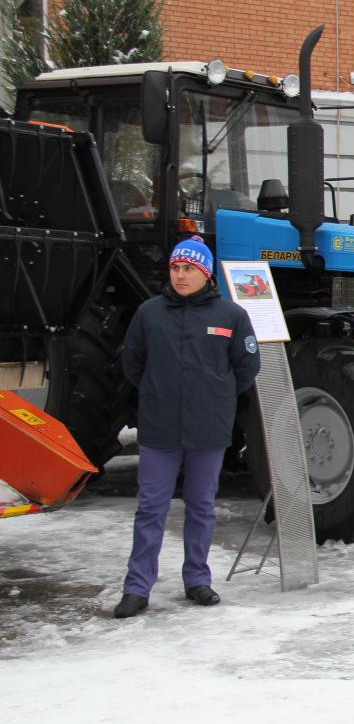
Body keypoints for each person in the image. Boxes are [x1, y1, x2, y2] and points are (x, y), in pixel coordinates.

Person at [113, 237, 261, 619]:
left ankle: (197, 579)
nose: (180, 275)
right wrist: (157, 391)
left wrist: (216, 395)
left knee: (200, 506)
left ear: (205, 273)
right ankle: (137, 587)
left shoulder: (231, 316)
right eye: (176, 268)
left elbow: (246, 367)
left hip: (207, 430)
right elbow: (133, 362)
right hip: (160, 429)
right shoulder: (149, 313)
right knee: (150, 509)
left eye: (188, 269)